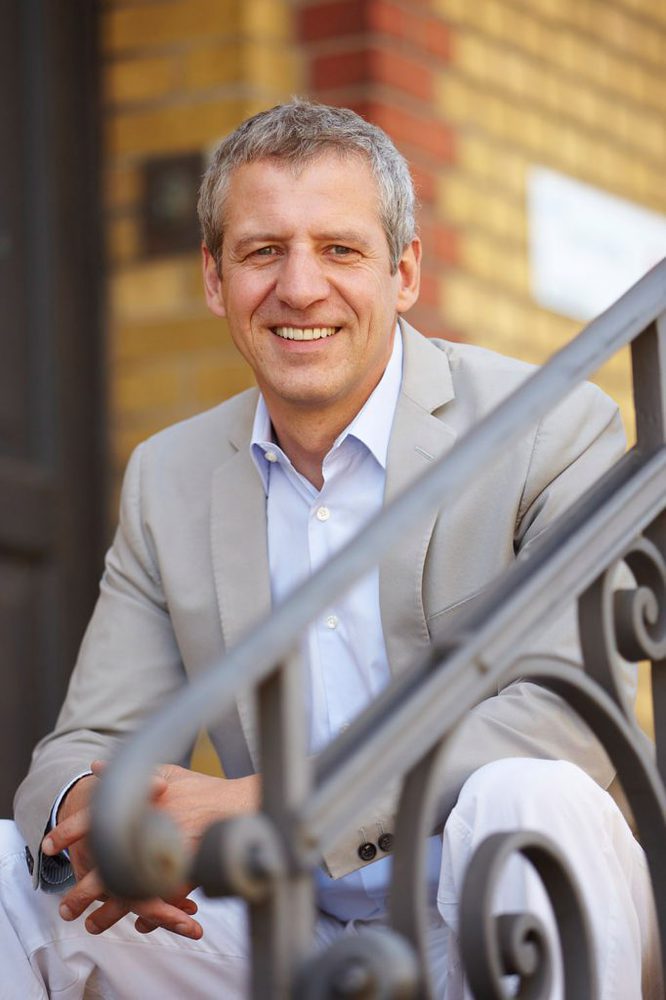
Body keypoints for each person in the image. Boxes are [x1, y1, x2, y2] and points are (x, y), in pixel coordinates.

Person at [0, 100, 660, 998]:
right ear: (214, 278)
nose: (300, 288)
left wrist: (263, 803)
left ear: (404, 272)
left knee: (532, 798)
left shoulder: (548, 427)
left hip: (494, 909)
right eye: (263, 251)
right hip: (283, 927)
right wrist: (97, 817)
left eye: (340, 250)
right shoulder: (169, 476)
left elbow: (566, 717)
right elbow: (86, 740)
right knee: (17, 875)